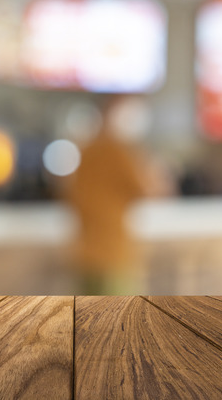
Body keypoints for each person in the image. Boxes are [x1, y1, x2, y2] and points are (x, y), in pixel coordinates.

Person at [65, 95, 153, 295]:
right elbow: (146, 189)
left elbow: (70, 195)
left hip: (85, 253)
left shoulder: (86, 150)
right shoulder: (119, 151)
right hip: (113, 254)